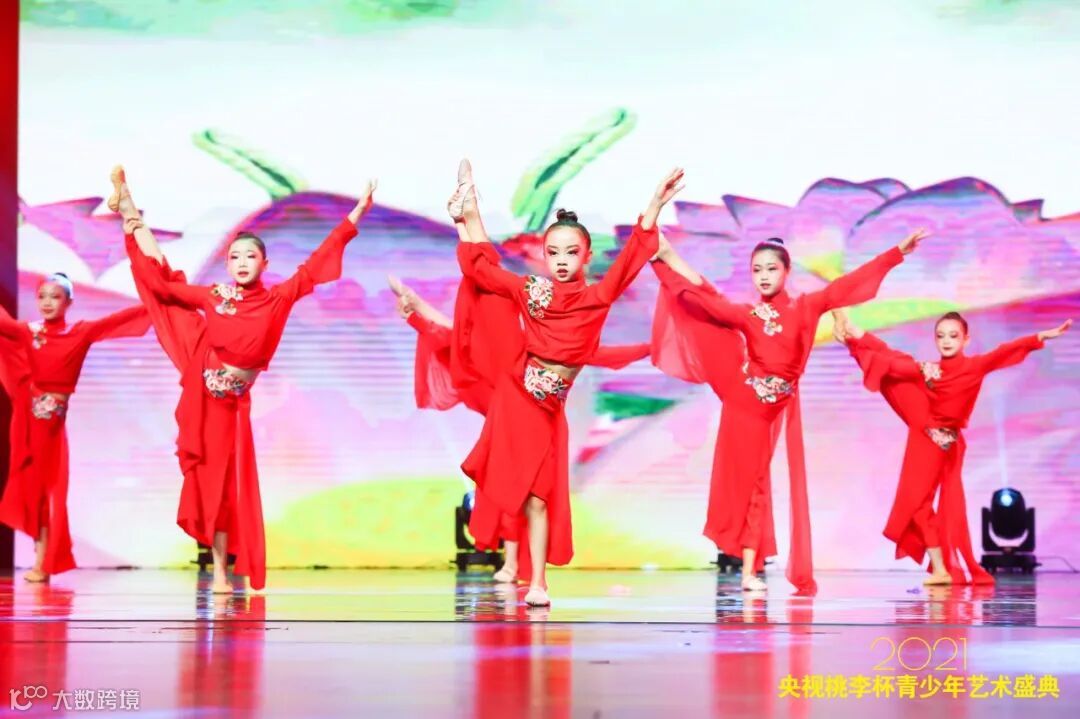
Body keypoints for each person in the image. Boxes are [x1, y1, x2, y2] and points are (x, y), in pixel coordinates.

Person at [112, 165, 375, 593]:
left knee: (230, 484)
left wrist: (354, 217)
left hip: (232, 404)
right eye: (234, 256)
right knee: (167, 282)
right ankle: (129, 212)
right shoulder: (214, 295)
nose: (240, 263)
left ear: (264, 263)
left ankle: (225, 566)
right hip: (203, 386)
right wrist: (134, 225)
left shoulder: (277, 298)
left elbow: (315, 266)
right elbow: (165, 286)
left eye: (249, 256)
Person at [448, 159, 679, 606]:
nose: (561, 261)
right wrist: (465, 225)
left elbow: (632, 258)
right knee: (522, 491)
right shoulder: (532, 291)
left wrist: (654, 204)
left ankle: (538, 582)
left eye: (571, 252)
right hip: (518, 398)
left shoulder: (597, 297)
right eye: (553, 252)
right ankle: (468, 211)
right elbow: (483, 273)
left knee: (539, 498)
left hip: (550, 409)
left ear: (586, 256)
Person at [649, 227, 930, 593]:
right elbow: (706, 297)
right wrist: (668, 258)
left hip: (771, 408)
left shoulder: (805, 307)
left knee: (756, 485)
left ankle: (750, 569)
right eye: (757, 270)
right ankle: (749, 571)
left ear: (786, 272)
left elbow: (845, 287)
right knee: (753, 486)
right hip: (744, 404)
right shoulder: (749, 314)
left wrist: (896, 253)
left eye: (771, 269)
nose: (764, 276)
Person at [833, 308, 1071, 584]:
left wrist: (1038, 337)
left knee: (917, 504)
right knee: (917, 504)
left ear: (965, 339)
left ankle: (942, 570)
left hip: (942, 443)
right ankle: (941, 570)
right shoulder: (929, 369)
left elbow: (1003, 352)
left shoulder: (974, 367)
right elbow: (891, 357)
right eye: (941, 336)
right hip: (924, 436)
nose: (946, 341)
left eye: (953, 335)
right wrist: (859, 337)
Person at [0, 273, 149, 581]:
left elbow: (117, 321)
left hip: (52, 427)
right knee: (36, 489)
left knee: (49, 489)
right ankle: (41, 561)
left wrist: (156, 302)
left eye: (55, 296)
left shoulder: (80, 332)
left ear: (68, 302)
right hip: (29, 420)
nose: (47, 302)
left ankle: (44, 561)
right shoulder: (29, 331)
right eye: (42, 296)